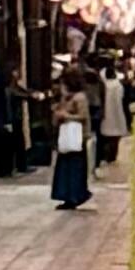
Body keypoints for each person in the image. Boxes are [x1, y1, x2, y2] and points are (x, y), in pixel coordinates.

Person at [51, 80, 93, 210]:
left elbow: (83, 116)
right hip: (67, 138)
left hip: (76, 137)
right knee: (66, 168)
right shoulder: (66, 98)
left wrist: (66, 115)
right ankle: (68, 196)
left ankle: (76, 195)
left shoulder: (80, 98)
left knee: (75, 168)